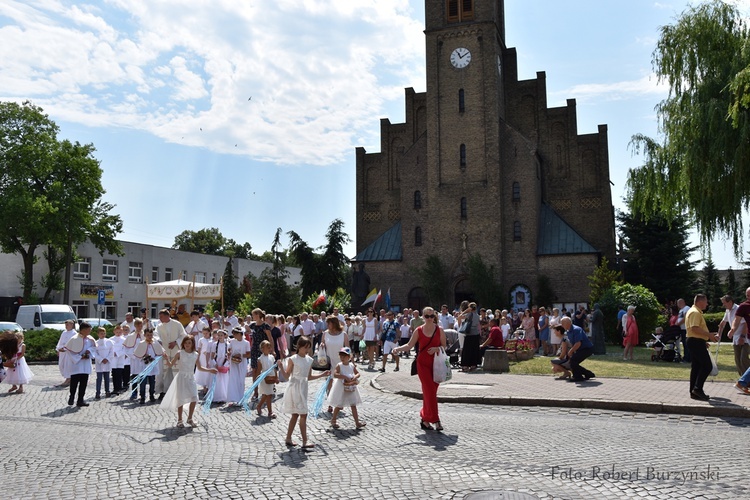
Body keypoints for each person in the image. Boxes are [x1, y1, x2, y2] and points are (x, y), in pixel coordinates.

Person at [393, 307, 447, 431]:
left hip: (436, 364)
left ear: (434, 317)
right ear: (423, 317)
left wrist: (437, 349)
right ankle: (436, 420)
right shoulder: (419, 330)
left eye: (431, 316)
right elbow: (409, 345)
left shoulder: (440, 330)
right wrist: (397, 349)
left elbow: (444, 346)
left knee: (430, 393)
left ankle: (425, 419)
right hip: (422, 364)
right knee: (429, 391)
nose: (429, 319)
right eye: (427, 316)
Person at [276, 336, 330, 449]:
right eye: (305, 347)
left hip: (303, 388)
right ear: (299, 347)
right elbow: (287, 376)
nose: (307, 350)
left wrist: (322, 374)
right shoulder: (293, 359)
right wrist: (281, 367)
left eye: (308, 348)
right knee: (302, 414)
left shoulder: (309, 360)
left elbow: (309, 377)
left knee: (295, 415)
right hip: (294, 388)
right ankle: (304, 441)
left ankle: (288, 438)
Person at [161, 336, 217, 427]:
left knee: (194, 397)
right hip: (181, 378)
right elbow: (171, 365)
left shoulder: (195, 354)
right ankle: (180, 420)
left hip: (191, 377)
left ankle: (190, 418)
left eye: (189, 343)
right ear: (183, 343)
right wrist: (167, 359)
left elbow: (199, 367)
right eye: (186, 343)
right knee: (181, 398)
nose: (187, 345)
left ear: (192, 344)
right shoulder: (180, 353)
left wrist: (209, 370)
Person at [685, 294, 718, 401]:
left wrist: (703, 340)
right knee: (707, 366)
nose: (707, 304)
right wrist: (709, 335)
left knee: (696, 367)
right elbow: (694, 328)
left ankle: (693, 392)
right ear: (700, 302)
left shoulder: (693, 311)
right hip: (695, 341)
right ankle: (698, 389)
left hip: (695, 341)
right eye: (706, 301)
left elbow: (694, 330)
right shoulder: (695, 312)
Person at [327, 347, 365, 430]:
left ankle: (357, 422)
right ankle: (333, 420)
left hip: (350, 387)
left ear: (349, 357)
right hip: (341, 387)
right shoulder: (339, 365)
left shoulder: (351, 365)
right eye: (341, 356)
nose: (342, 358)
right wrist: (343, 376)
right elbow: (335, 374)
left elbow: (358, 373)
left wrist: (354, 377)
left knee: (353, 405)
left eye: (344, 356)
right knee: (339, 405)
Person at [155, 308, 187, 399]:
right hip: (165, 351)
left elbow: (183, 335)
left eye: (161, 316)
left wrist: (176, 342)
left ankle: (177, 391)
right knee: (165, 372)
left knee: (176, 371)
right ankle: (164, 391)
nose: (160, 318)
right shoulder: (159, 326)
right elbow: (156, 335)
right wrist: (159, 341)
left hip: (175, 351)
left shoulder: (177, 324)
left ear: (167, 316)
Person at [65, 322, 96, 407]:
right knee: (74, 383)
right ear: (83, 330)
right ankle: (72, 397)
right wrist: (79, 357)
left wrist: (89, 352)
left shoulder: (90, 339)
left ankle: (80, 400)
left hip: (85, 364)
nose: (90, 332)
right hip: (77, 365)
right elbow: (70, 351)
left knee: (83, 383)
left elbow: (94, 348)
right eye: (88, 330)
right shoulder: (74, 339)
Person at [719, 294, 749, 376]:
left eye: (724, 303)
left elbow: (746, 323)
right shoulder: (727, 310)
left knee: (744, 359)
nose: (723, 305)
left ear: (730, 302)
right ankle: (742, 378)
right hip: (735, 338)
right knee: (737, 360)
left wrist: (742, 336)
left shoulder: (739, 309)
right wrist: (719, 334)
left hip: (744, 338)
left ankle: (746, 379)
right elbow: (723, 323)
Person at [133, 329, 164, 404]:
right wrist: (144, 357)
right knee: (143, 382)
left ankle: (151, 395)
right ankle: (142, 396)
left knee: (152, 381)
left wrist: (154, 358)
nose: (150, 337)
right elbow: (137, 354)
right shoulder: (141, 343)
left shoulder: (155, 343)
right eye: (148, 335)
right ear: (144, 335)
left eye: (151, 335)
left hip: (152, 365)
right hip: (144, 365)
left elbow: (159, 353)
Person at [561, 317, 595, 382]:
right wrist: (572, 351)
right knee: (573, 362)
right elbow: (573, 343)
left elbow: (578, 343)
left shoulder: (576, 329)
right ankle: (588, 374)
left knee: (573, 361)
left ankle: (578, 377)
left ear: (568, 323)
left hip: (587, 348)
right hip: (580, 349)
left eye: (563, 323)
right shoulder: (568, 331)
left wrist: (571, 351)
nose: (561, 325)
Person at [227, 326, 251, 405]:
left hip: (242, 363)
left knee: (241, 380)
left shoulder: (246, 343)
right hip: (233, 363)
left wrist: (240, 355)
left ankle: (240, 398)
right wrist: (229, 353)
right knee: (233, 380)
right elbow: (229, 350)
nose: (234, 335)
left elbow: (248, 354)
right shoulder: (232, 342)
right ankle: (233, 398)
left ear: (240, 334)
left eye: (235, 334)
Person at [256, 340, 278, 419]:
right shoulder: (260, 359)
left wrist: (276, 377)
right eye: (267, 347)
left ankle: (259, 406)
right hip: (264, 378)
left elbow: (274, 368)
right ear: (262, 349)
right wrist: (257, 379)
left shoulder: (272, 357)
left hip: (271, 377)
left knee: (266, 394)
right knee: (268, 395)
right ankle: (270, 412)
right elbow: (259, 370)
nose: (269, 349)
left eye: (270, 347)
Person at [458, 302, 481, 372]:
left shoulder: (468, 314)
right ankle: (473, 365)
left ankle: (465, 365)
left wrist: (466, 311)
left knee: (467, 350)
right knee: (474, 350)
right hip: (476, 333)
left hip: (469, 333)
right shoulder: (477, 315)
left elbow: (460, 317)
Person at [55, 319, 78, 387]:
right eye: (66, 325)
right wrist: (58, 349)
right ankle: (67, 378)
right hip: (62, 352)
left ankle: (69, 379)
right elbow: (60, 341)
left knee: (67, 366)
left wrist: (65, 349)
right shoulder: (64, 333)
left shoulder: (74, 333)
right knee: (61, 365)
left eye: (68, 324)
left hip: (68, 353)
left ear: (72, 325)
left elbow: (72, 343)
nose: (66, 326)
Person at [210, 330, 230, 404]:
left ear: (225, 336)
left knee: (224, 379)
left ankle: (224, 396)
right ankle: (217, 396)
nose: (220, 337)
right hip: (217, 363)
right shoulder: (214, 344)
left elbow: (229, 356)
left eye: (221, 335)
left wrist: (225, 364)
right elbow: (212, 355)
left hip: (224, 363)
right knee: (217, 380)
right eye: (219, 335)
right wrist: (214, 363)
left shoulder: (228, 344)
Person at [94, 327, 113, 399]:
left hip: (107, 362)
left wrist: (107, 359)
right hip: (99, 363)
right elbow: (95, 353)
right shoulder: (96, 343)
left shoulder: (109, 342)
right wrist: (101, 359)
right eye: (101, 333)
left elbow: (111, 351)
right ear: (98, 334)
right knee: (99, 378)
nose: (103, 335)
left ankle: (107, 391)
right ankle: (98, 392)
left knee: (107, 378)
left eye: (104, 333)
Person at [110, 325, 126, 395]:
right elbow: (109, 348)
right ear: (114, 332)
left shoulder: (124, 340)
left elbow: (125, 349)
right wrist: (112, 353)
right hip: (113, 358)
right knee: (114, 373)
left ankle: (119, 387)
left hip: (120, 358)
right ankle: (115, 388)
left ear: (122, 332)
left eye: (120, 332)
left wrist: (117, 353)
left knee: (119, 373)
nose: (118, 333)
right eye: (117, 332)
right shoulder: (110, 339)